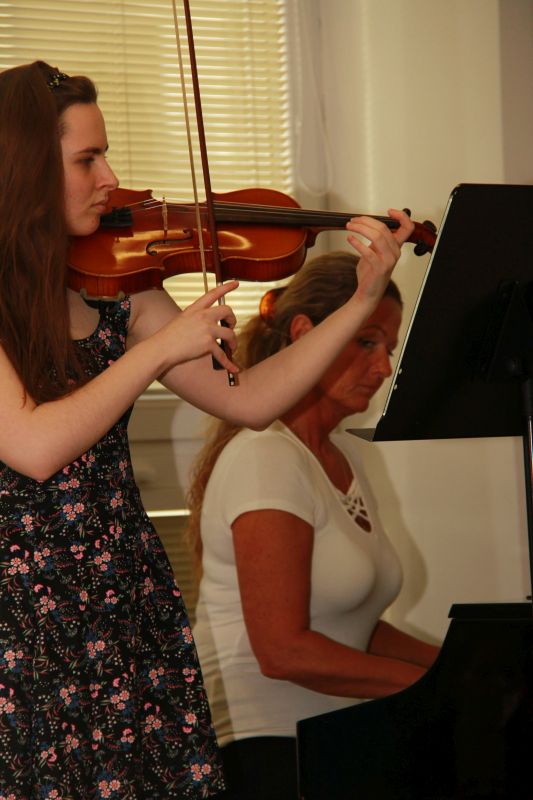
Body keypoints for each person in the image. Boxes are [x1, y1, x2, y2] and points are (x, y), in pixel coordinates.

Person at [0, 60, 413, 800]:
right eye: (88, 159)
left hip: (125, 591)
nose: (110, 178)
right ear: (26, 170)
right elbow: (33, 447)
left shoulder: (120, 289)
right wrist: (159, 350)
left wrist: (361, 299)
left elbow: (250, 400)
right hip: (25, 613)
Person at [188, 251, 440, 800]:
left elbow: (354, 627)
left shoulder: (347, 455)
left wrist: (462, 668)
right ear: (307, 334)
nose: (384, 368)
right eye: (367, 342)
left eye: (389, 349)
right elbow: (283, 651)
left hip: (335, 737)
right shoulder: (266, 454)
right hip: (265, 751)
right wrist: (436, 688)